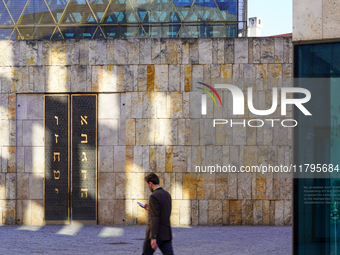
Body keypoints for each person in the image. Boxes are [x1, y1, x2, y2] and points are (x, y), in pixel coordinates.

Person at [139, 173, 174, 255]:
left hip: (156, 234)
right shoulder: (167, 194)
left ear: (150, 183)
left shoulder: (153, 196)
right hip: (166, 234)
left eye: (147, 184)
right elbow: (164, 211)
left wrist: (153, 237)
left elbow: (154, 217)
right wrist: (150, 209)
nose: (148, 187)